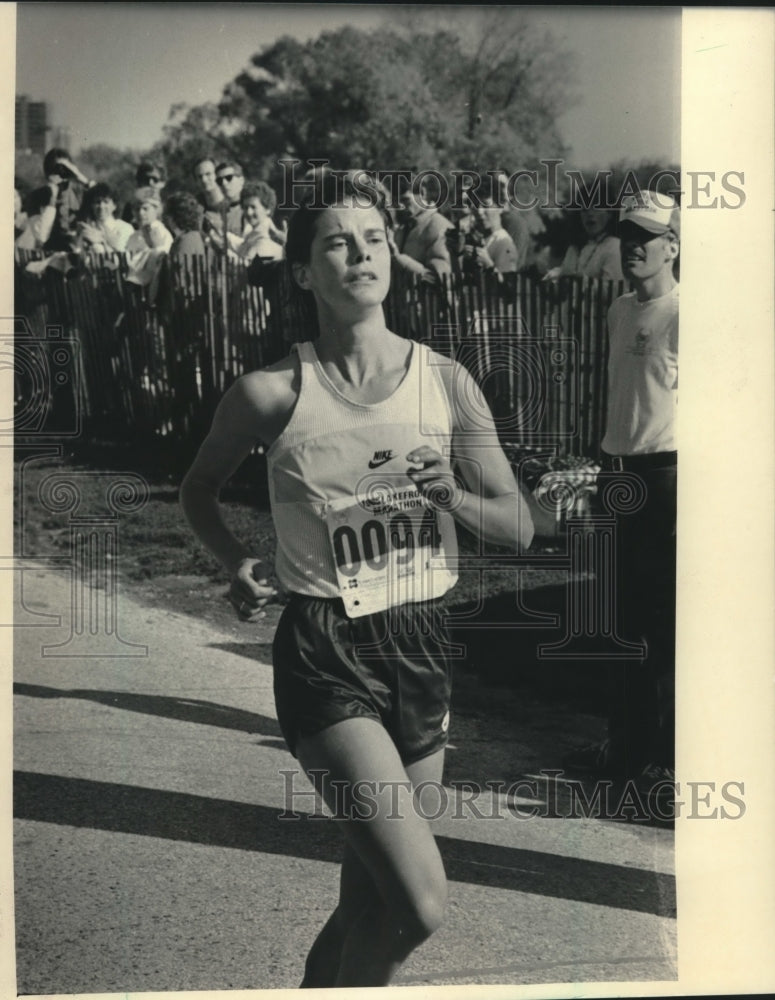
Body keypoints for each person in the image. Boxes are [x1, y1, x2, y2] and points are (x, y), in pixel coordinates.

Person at [180, 171, 534, 987]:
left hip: (421, 641)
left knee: (370, 901)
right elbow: (197, 488)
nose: (361, 253)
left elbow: (515, 522)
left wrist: (447, 494)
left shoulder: (445, 381)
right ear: (304, 271)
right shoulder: (270, 393)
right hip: (324, 648)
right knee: (418, 903)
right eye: (337, 242)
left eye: (374, 238)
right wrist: (236, 560)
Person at [564, 190, 679, 785]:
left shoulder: (687, 314)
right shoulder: (618, 309)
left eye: (647, 238)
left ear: (673, 247)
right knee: (618, 616)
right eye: (627, 237)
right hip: (618, 475)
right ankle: (623, 749)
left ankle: (666, 761)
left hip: (667, 480)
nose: (633, 248)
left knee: (664, 623)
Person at [389, 182, 452, 282]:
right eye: (396, 202)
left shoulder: (439, 226)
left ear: (422, 193)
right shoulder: (404, 227)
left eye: (405, 200)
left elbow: (439, 279)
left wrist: (399, 259)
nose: (400, 206)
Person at [545, 207, 623, 282]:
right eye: (584, 210)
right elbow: (564, 271)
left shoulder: (615, 246)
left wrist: (576, 280)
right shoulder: (574, 248)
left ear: (610, 214)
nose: (590, 213)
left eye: (596, 208)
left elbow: (613, 289)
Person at [75, 182, 134, 254]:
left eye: (106, 202)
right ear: (92, 206)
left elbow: (126, 254)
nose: (101, 207)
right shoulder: (87, 229)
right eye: (97, 202)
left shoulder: (124, 228)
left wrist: (102, 240)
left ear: (114, 206)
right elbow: (78, 253)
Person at [237, 181, 285, 262]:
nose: (249, 212)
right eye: (245, 207)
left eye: (253, 207)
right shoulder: (251, 233)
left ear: (267, 209)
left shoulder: (266, 237)